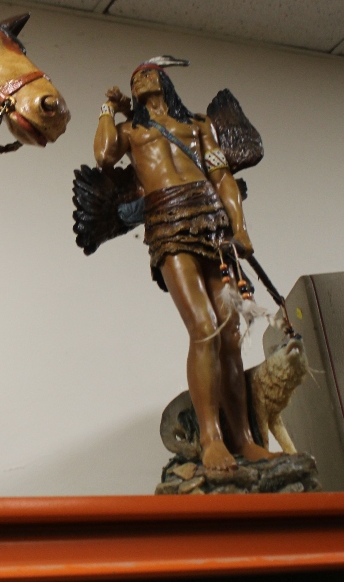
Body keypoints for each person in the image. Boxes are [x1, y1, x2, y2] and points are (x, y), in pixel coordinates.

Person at [93, 59, 275, 471]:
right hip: (168, 224)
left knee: (229, 335)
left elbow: (222, 175)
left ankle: (243, 440)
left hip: (210, 220)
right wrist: (109, 109)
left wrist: (239, 225)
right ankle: (211, 438)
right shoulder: (130, 132)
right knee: (203, 327)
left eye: (148, 73)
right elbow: (104, 155)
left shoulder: (197, 126)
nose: (140, 77)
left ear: (164, 81)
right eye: (134, 76)